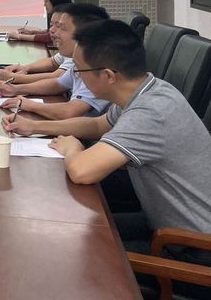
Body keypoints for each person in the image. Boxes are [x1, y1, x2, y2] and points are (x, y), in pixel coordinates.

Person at [22, 21, 211, 280]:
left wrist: (73, 148)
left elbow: (82, 171)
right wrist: (34, 127)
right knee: (60, 231)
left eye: (80, 70)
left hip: (193, 252)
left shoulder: (151, 112)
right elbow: (96, 125)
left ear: (109, 75)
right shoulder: (147, 90)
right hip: (167, 228)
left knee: (65, 259)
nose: (77, 77)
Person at [0, 3, 110, 120]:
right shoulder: (80, 62)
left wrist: (28, 105)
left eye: (61, 28)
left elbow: (69, 112)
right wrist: (15, 89)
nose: (54, 32)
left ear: (84, 34)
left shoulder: (98, 68)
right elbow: (57, 84)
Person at [0, 8, 71, 84]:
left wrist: (12, 77)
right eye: (51, 25)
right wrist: (25, 68)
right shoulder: (68, 51)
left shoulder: (74, 54)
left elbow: (57, 78)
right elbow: (53, 62)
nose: (51, 30)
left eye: (59, 26)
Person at [7, 0, 72, 43]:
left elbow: (49, 37)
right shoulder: (63, 12)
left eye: (46, 0)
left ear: (55, 0)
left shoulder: (65, 16)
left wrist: (19, 36)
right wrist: (32, 32)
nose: (44, 4)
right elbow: (49, 32)